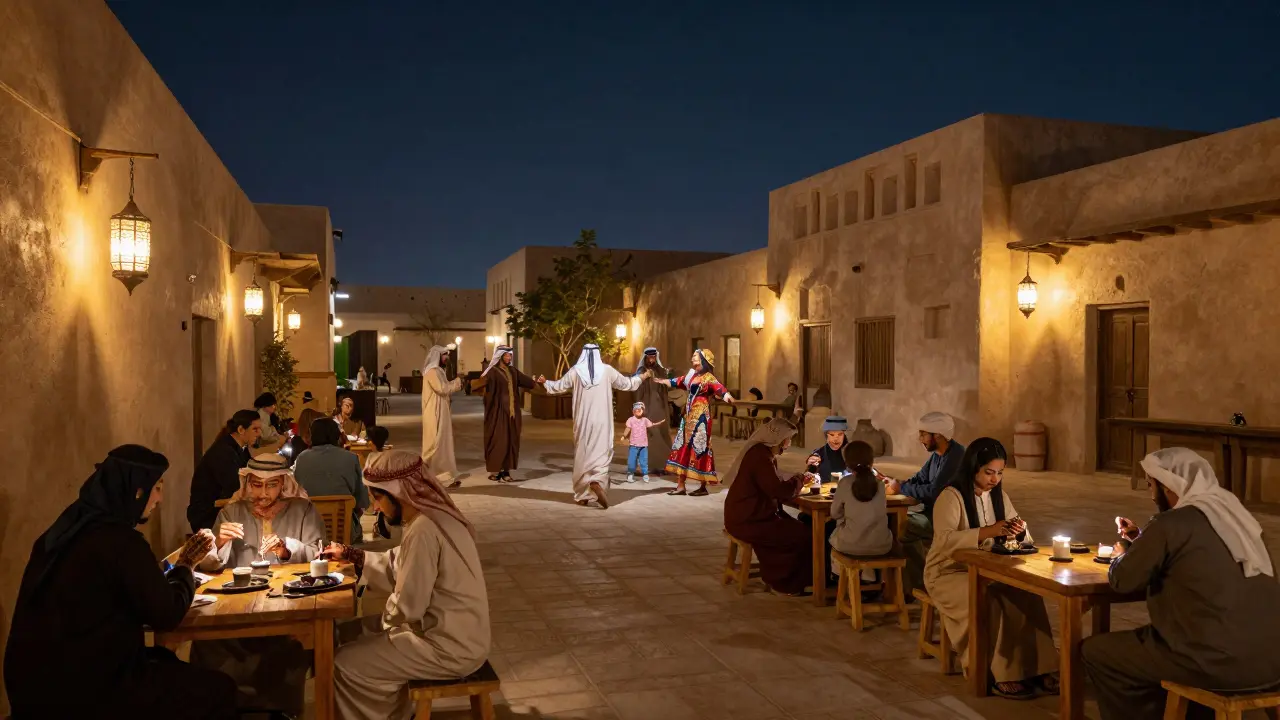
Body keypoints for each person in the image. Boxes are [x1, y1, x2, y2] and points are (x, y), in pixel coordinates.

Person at [4, 445, 236, 719]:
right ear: (137, 490)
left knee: (168, 665)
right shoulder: (120, 542)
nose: (159, 499)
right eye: (157, 488)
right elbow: (166, 613)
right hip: (90, 689)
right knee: (220, 690)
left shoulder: (61, 532)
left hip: (32, 684)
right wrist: (186, 564)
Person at [1082, 448, 1280, 720]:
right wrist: (1143, 540)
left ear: (1169, 486)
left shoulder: (1171, 522)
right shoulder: (1237, 519)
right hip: (1271, 660)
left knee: (1098, 652)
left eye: (1152, 485)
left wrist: (1123, 554)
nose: (1152, 495)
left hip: (1212, 660)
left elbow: (1123, 579)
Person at [321, 451, 489, 720]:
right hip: (453, 633)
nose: (375, 508)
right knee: (344, 633)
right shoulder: (430, 517)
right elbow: (398, 563)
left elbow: (408, 606)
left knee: (343, 664)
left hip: (448, 646)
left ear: (399, 493)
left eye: (378, 498)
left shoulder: (424, 529)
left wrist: (385, 624)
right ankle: (396, 710)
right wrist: (353, 555)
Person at [190, 454, 325, 716]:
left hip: (288, 602)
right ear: (247, 483)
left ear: (284, 484)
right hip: (239, 603)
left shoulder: (303, 510)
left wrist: (287, 549)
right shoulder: (232, 512)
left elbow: (318, 555)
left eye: (272, 485)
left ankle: (280, 711)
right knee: (208, 641)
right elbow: (211, 566)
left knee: (292, 645)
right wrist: (218, 543)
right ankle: (230, 704)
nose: (263, 493)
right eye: (256, 485)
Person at [924, 437, 1058, 699]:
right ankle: (999, 673)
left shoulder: (999, 496)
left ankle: (1039, 668)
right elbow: (945, 541)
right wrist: (988, 531)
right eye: (989, 472)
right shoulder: (951, 497)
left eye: (999, 473)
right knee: (991, 600)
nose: (994, 479)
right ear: (973, 467)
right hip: (949, 573)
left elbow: (1018, 530)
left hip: (987, 569)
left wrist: (1018, 533)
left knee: (1028, 595)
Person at [542, 344, 647, 508]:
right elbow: (626, 384)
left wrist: (545, 382)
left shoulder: (576, 371)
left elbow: (558, 387)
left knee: (583, 453)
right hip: (602, 421)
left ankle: (583, 494)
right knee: (601, 453)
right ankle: (597, 481)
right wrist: (641, 377)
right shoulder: (607, 370)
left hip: (583, 422)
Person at [722, 418, 811, 595]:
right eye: (788, 439)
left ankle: (785, 578)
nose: (789, 444)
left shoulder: (762, 454)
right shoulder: (760, 457)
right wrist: (799, 480)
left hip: (749, 515)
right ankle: (784, 583)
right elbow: (777, 489)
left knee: (797, 527)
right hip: (749, 520)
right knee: (804, 535)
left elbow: (772, 482)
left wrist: (794, 480)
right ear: (779, 439)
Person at [880, 411, 965, 595]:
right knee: (896, 523)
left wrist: (901, 489)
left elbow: (934, 492)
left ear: (938, 435)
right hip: (932, 513)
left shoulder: (956, 457)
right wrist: (899, 483)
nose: (920, 439)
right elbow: (919, 479)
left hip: (948, 520)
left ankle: (921, 583)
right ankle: (907, 586)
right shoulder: (937, 455)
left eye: (923, 434)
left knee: (902, 527)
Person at [655, 348, 734, 496]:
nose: (692, 358)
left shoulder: (709, 378)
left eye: (695, 356)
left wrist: (727, 396)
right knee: (682, 447)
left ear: (703, 360)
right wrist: (663, 381)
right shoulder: (691, 375)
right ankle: (680, 486)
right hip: (688, 417)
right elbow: (678, 381)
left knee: (700, 448)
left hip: (701, 418)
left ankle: (703, 486)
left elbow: (720, 388)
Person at [294, 417, 369, 542]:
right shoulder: (350, 458)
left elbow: (297, 492)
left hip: (309, 530)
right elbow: (362, 501)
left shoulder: (302, 458)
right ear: (337, 435)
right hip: (344, 530)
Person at [188, 409, 259, 531]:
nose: (259, 434)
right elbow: (236, 486)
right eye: (255, 429)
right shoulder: (224, 452)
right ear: (241, 430)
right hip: (208, 516)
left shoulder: (240, 449)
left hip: (225, 511)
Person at [480, 344, 538, 482]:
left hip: (512, 414)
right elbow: (484, 389)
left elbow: (526, 381)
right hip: (497, 413)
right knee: (498, 441)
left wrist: (536, 381)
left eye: (510, 355)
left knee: (511, 442)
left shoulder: (513, 371)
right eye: (506, 355)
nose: (509, 357)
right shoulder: (492, 372)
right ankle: (495, 471)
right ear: (500, 356)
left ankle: (506, 471)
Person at [829, 440, 894, 558]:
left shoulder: (845, 482)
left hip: (850, 545)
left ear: (847, 463)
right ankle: (869, 575)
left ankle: (835, 574)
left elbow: (834, 514)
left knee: (832, 532)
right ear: (872, 461)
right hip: (882, 546)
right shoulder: (880, 484)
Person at [420, 344, 465, 487]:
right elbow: (442, 389)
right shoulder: (432, 372)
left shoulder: (438, 371)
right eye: (445, 355)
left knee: (442, 442)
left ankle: (444, 472)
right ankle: (431, 474)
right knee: (434, 442)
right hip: (434, 412)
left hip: (441, 410)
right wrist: (457, 382)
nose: (447, 358)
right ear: (438, 356)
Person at [632, 347, 674, 475]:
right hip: (646, 405)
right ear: (645, 357)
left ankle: (663, 464)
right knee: (647, 433)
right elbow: (636, 387)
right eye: (649, 357)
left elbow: (665, 387)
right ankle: (647, 465)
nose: (651, 359)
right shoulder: (641, 371)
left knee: (661, 432)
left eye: (653, 357)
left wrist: (662, 381)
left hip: (659, 406)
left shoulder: (661, 370)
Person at [621, 401, 656, 483]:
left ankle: (645, 474)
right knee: (632, 460)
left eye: (639, 410)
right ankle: (630, 474)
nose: (637, 411)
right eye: (636, 410)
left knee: (644, 460)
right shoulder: (631, 420)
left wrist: (651, 436)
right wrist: (624, 436)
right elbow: (628, 428)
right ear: (633, 411)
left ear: (643, 410)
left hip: (643, 445)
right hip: (633, 445)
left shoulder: (645, 420)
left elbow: (650, 428)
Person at [806, 416, 850, 481]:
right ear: (826, 435)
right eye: (832, 435)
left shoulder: (851, 453)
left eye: (840, 434)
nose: (836, 439)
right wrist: (810, 471)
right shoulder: (818, 453)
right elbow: (810, 474)